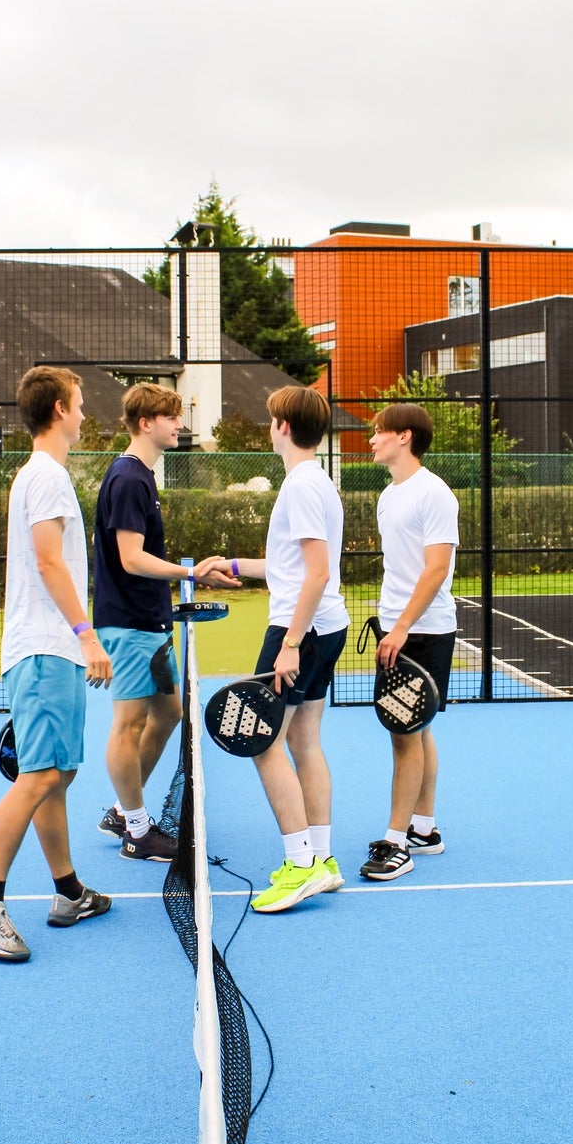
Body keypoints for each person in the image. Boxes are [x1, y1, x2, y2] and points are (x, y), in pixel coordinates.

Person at [0, 366, 113, 962]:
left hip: (53, 651)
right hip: (47, 649)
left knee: (57, 775)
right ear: (59, 410)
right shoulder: (46, 475)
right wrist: (87, 636)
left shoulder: (42, 474)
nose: (84, 413)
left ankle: (68, 892)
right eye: (79, 403)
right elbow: (49, 563)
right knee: (40, 777)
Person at [203, 386, 350, 914]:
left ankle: (301, 864)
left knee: (262, 743)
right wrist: (233, 565)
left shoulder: (301, 486)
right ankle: (322, 860)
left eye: (271, 420)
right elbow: (293, 565)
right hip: (325, 626)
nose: (269, 428)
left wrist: (290, 643)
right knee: (304, 741)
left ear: (283, 427)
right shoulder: (316, 482)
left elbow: (317, 572)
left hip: (300, 630)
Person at [92, 383, 237, 863]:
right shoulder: (128, 479)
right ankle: (137, 830)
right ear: (145, 423)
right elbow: (131, 558)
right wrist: (191, 574)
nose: (180, 424)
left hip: (150, 623)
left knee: (169, 712)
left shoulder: (143, 477)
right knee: (128, 724)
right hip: (129, 625)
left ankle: (122, 811)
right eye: (171, 417)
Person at [357, 403, 459, 883]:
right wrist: (391, 625)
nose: (371, 439)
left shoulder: (434, 493)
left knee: (405, 733)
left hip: (424, 631)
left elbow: (436, 569)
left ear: (404, 437)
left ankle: (396, 842)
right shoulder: (388, 495)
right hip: (397, 627)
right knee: (417, 729)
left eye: (379, 431)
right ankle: (423, 828)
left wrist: (401, 627)